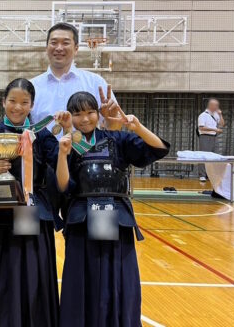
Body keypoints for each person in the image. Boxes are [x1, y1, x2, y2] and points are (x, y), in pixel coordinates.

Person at [55, 92, 170, 327]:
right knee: (81, 277)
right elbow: (64, 186)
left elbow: (159, 149)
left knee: (118, 277)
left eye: (90, 112)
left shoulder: (117, 139)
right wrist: (62, 154)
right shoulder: (70, 143)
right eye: (77, 114)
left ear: (98, 114)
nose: (84, 119)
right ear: (70, 116)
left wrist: (137, 127)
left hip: (117, 218)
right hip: (82, 220)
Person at [0, 78, 60, 327]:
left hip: (33, 210)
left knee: (33, 266)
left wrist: (68, 137)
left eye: (24, 102)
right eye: (12, 101)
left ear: (32, 105)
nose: (17, 107)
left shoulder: (41, 135)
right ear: (3, 102)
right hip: (2, 213)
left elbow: (59, 163)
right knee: (7, 268)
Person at [30, 22, 124, 133]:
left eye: (65, 43)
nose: (59, 48)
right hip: (42, 150)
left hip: (86, 150)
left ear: (76, 49)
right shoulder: (31, 87)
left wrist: (111, 118)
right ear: (46, 48)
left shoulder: (95, 82)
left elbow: (115, 130)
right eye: (54, 43)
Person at [197, 98, 225, 181]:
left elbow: (222, 124)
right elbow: (201, 128)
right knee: (203, 156)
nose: (217, 107)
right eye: (215, 105)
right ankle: (202, 175)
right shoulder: (203, 115)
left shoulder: (216, 115)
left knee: (213, 157)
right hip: (205, 137)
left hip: (214, 137)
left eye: (217, 105)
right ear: (210, 105)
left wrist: (220, 115)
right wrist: (215, 130)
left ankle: (210, 174)